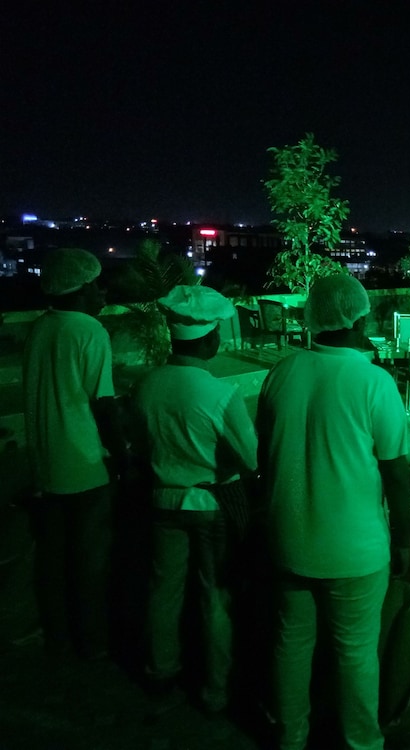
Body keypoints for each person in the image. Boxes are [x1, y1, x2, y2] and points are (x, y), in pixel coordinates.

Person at [257, 274, 410, 750]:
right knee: (356, 652)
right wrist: (403, 542)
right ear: (360, 319)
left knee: (291, 642)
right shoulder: (374, 382)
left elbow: (267, 458)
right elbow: (396, 474)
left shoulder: (282, 372)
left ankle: (290, 736)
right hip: (354, 549)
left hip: (288, 539)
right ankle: (361, 742)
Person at [130, 285, 258, 713]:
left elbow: (140, 447)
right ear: (208, 339)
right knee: (214, 596)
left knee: (163, 590)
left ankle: (159, 671)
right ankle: (216, 689)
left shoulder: (147, 385)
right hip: (209, 506)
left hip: (162, 501)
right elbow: (252, 459)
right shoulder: (220, 393)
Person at [22, 247, 124, 660]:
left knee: (52, 559)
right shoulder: (88, 330)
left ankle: (59, 638)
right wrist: (121, 455)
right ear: (81, 289)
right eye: (97, 286)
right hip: (84, 465)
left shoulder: (41, 327)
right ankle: (93, 643)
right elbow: (103, 403)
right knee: (90, 561)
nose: (103, 293)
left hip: (46, 463)